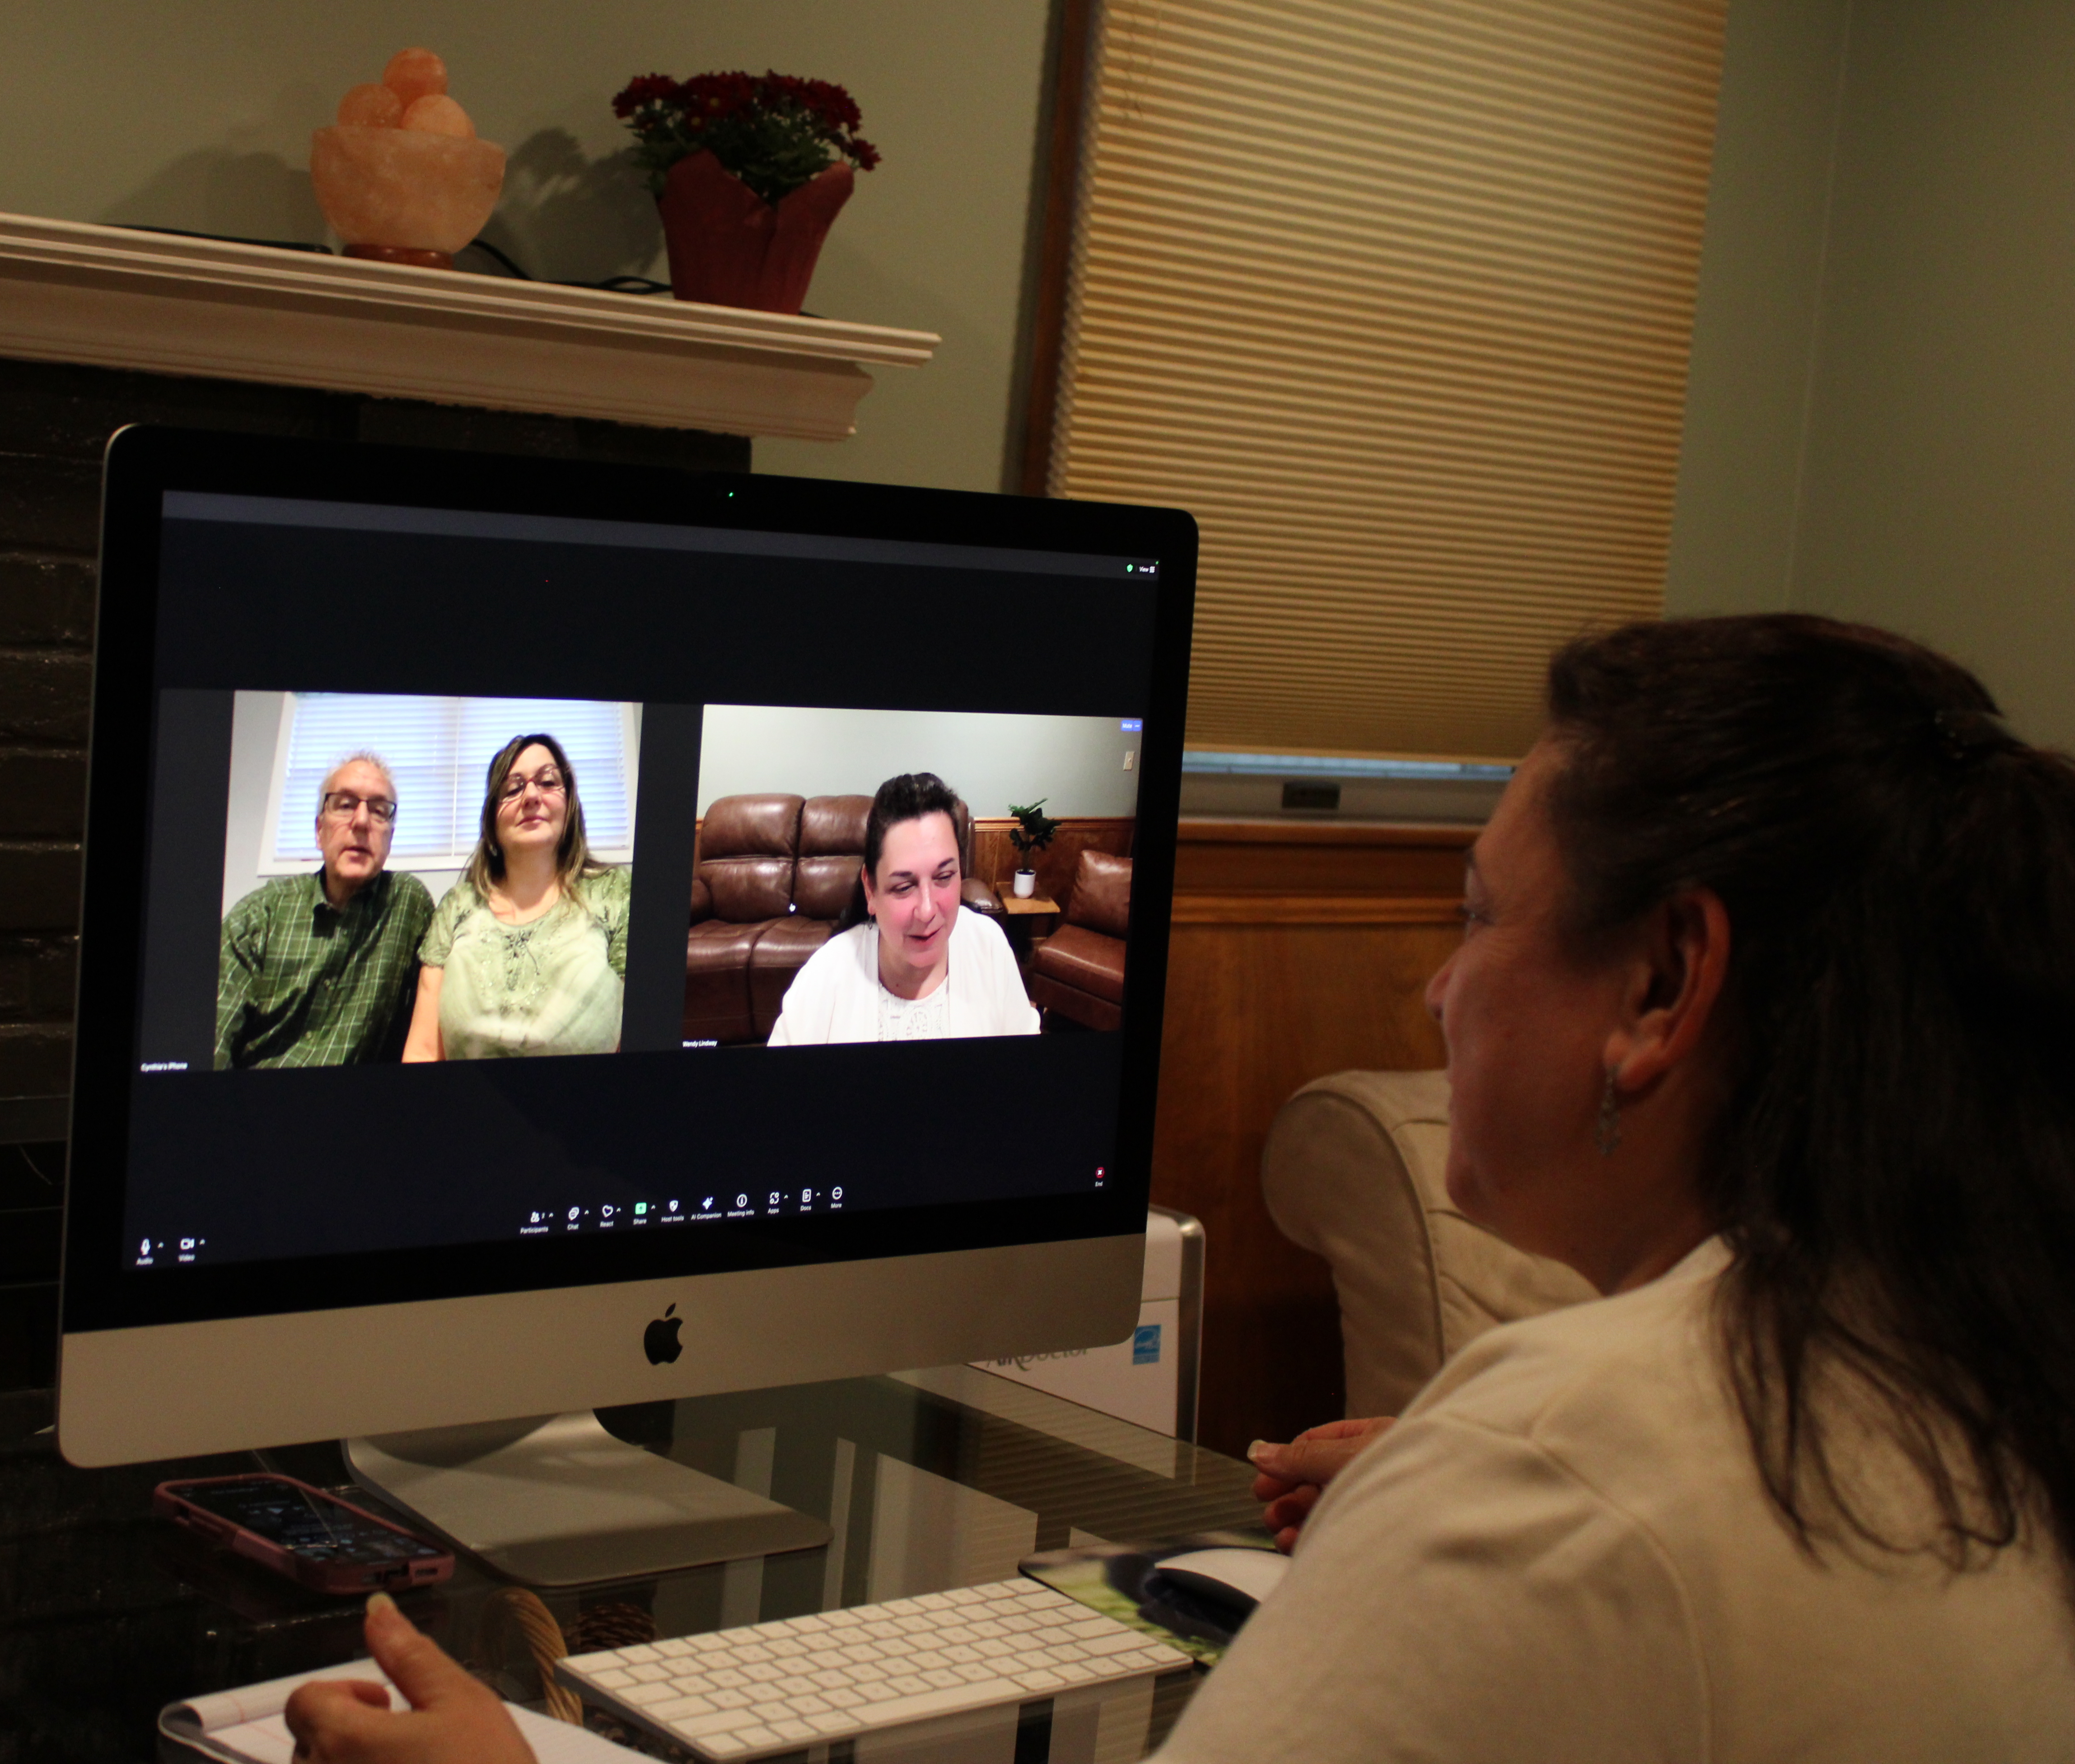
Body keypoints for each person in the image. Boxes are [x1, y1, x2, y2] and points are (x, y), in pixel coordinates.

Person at [285, 616, 2075, 1764]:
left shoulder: (1574, 1469)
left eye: (1476, 915)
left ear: (1667, 987)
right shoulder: (1972, 1365)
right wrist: (1463, 1493)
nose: (1436, 991)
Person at [403, 733, 630, 1061]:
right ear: (492, 822)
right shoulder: (457, 906)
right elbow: (423, 1050)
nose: (532, 796)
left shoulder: (615, 893)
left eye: (548, 782)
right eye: (512, 789)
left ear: (570, 807)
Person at [769, 772, 1040, 1045]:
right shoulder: (826, 977)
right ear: (870, 889)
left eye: (944, 877)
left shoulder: (989, 949)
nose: (927, 910)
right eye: (903, 887)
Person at [215, 752, 435, 1069]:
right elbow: (214, 1035)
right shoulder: (260, 913)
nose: (361, 822)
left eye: (378, 811)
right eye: (345, 805)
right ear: (320, 831)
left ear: (390, 838)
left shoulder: (408, 906)